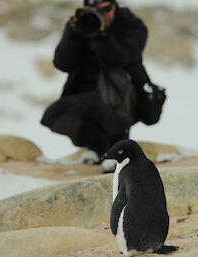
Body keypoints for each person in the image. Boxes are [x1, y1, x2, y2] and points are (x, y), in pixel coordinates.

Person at [41, 0, 149, 172]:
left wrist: (103, 35)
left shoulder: (131, 25)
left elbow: (122, 58)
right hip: (86, 96)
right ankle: (98, 147)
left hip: (124, 97)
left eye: (106, 9)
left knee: (112, 94)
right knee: (53, 116)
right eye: (95, 10)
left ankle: (118, 149)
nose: (102, 14)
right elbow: (62, 64)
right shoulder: (81, 23)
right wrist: (75, 34)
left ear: (115, 6)